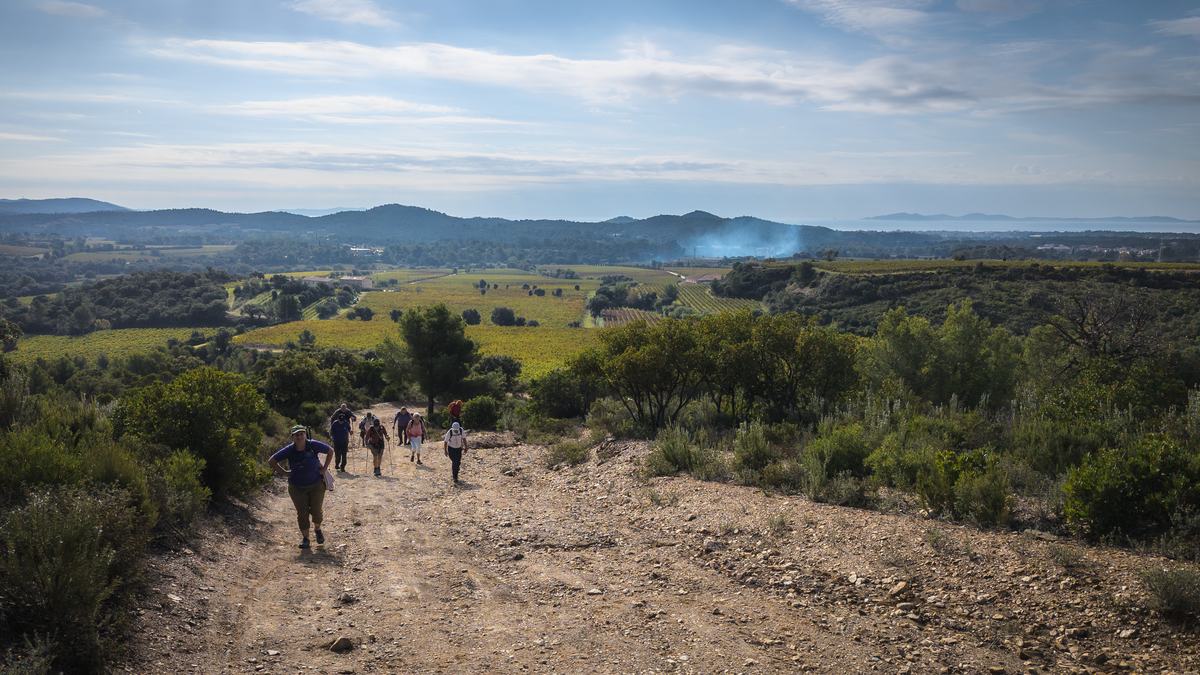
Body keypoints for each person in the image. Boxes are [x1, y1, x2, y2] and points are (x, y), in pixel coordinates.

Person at [269, 425, 332, 549]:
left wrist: (324, 469)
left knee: (316, 511)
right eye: (296, 435)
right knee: (302, 513)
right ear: (292, 437)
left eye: (301, 434)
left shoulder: (312, 444)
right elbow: (272, 461)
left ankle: (318, 529)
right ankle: (306, 539)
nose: (299, 436)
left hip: (316, 485)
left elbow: (330, 450)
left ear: (305, 435)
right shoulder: (289, 449)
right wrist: (285, 473)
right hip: (297, 487)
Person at [329, 407, 353, 472]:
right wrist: (331, 437)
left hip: (345, 441)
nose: (341, 422)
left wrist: (350, 432)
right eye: (340, 420)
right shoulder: (335, 423)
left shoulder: (346, 423)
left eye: (342, 421)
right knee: (337, 455)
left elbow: (349, 429)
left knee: (344, 455)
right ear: (338, 419)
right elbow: (331, 431)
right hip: (336, 441)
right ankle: (337, 464)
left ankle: (343, 467)